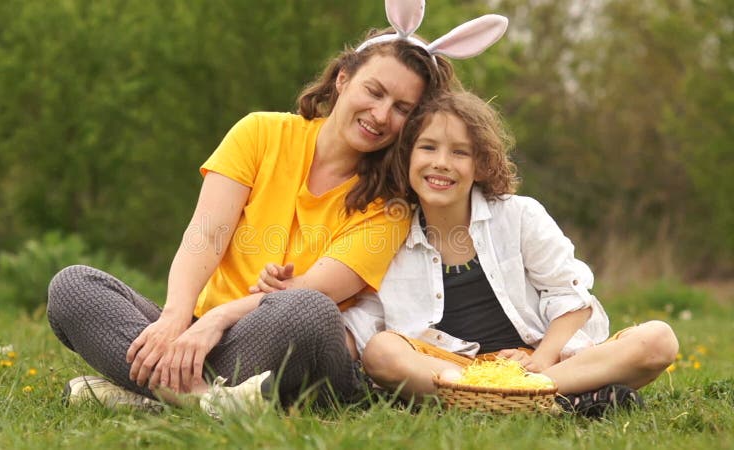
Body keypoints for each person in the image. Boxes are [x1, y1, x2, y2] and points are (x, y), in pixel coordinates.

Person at [47, 1, 509, 414]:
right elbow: (205, 235)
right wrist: (174, 320)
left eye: (402, 107)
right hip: (204, 337)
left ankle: (154, 393)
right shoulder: (260, 132)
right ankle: (205, 401)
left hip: (294, 345)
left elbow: (312, 290)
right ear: (343, 79)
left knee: (306, 310)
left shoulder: (390, 203)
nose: (381, 114)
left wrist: (215, 321)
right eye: (375, 91)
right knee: (74, 287)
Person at [257, 90, 679, 417]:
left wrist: (540, 361)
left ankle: (530, 395)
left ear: (480, 164)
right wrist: (292, 295)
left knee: (658, 339)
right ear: (406, 157)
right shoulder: (387, 231)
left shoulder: (518, 215)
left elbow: (571, 299)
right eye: (428, 148)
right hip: (449, 370)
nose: (442, 163)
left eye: (460, 152)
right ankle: (558, 400)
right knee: (383, 351)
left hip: (540, 364)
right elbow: (365, 320)